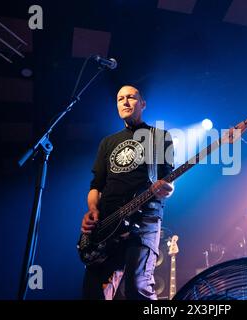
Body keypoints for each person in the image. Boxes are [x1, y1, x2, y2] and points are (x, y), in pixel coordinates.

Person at [80, 85, 175, 300]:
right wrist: (92, 210)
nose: (124, 102)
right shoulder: (107, 142)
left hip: (144, 219)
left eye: (131, 97)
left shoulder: (159, 136)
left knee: (136, 287)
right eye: (120, 98)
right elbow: (96, 185)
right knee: (93, 292)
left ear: (142, 104)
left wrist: (166, 189)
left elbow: (168, 178)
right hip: (106, 224)